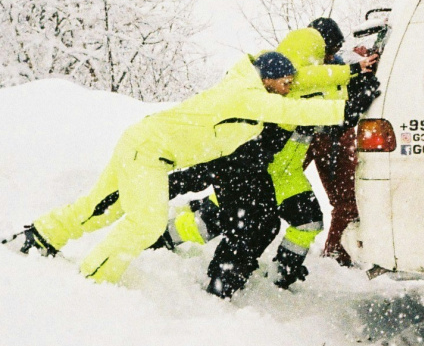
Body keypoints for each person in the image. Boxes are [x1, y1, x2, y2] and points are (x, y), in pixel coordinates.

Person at [4, 52, 346, 285]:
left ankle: (39, 237)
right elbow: (294, 113)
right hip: (148, 152)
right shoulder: (245, 95)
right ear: (268, 79)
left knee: (103, 207)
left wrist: (348, 74)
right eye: (285, 82)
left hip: (143, 142)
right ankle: (94, 281)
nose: (289, 89)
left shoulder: (245, 88)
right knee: (146, 222)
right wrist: (345, 107)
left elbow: (293, 91)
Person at [157, 18, 379, 295]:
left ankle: (281, 276)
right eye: (329, 50)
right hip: (256, 172)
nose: (332, 56)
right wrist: (354, 97)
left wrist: (359, 74)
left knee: (306, 221)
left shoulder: (307, 79)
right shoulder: (282, 83)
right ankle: (165, 238)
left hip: (287, 172)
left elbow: (328, 87)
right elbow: (320, 106)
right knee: (222, 222)